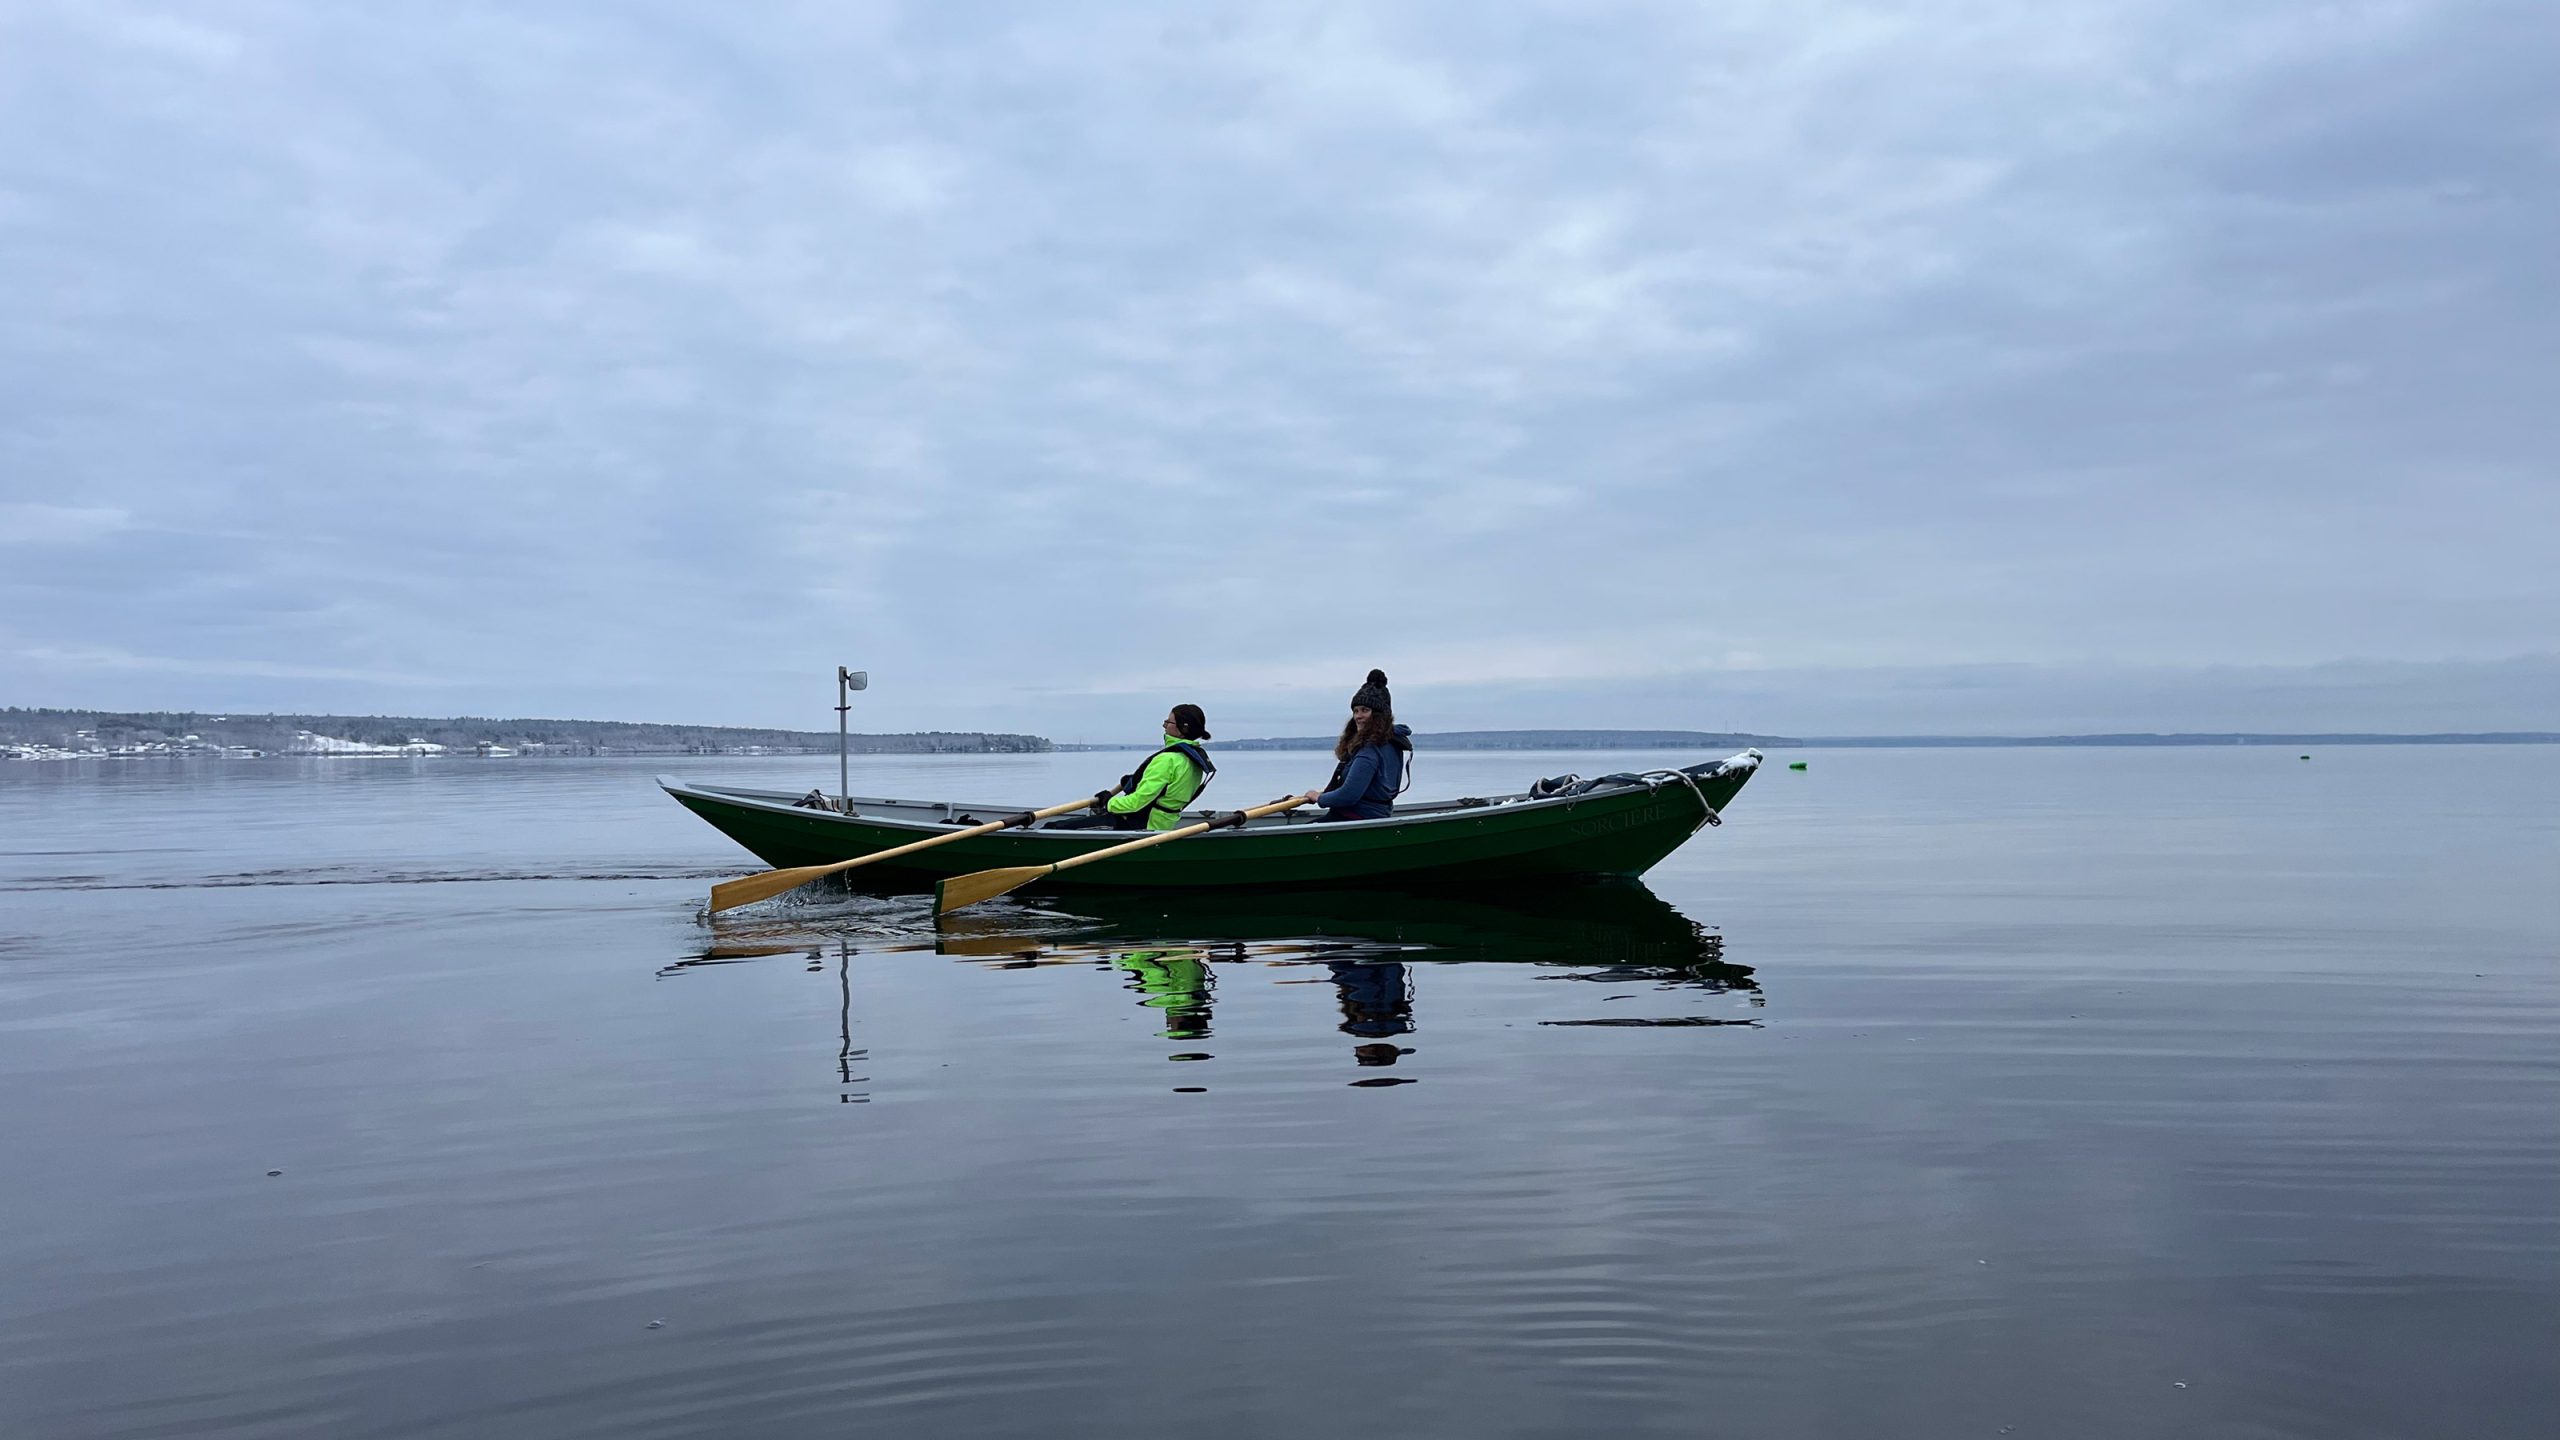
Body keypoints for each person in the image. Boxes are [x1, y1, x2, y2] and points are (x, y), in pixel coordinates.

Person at [1052, 703, 1217, 831]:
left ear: (1183, 728)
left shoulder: (1168, 760)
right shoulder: (1192, 759)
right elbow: (1168, 790)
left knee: (1053, 828)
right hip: (1163, 824)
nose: (1164, 726)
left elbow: (1136, 803)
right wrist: (1132, 781)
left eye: (1168, 722)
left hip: (1139, 825)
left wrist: (1108, 802)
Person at [1296, 669, 1412, 821]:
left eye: (1365, 710)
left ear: (1379, 715)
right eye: (1355, 711)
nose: (1358, 716)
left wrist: (1319, 797)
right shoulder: (1391, 742)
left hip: (1356, 817)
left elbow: (1348, 796)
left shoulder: (1369, 750)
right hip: (1377, 816)